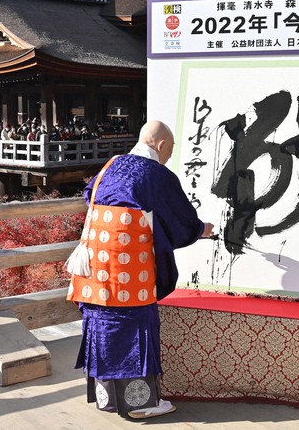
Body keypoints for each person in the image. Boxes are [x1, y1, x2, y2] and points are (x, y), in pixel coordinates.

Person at [68, 120, 214, 419]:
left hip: (97, 265)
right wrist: (201, 229)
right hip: (129, 268)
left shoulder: (112, 164)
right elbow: (179, 219)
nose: (169, 155)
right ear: (160, 145)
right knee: (134, 328)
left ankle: (107, 398)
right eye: (170, 150)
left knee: (102, 323)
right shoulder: (155, 174)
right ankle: (140, 403)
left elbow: (89, 196)